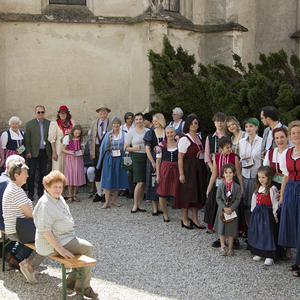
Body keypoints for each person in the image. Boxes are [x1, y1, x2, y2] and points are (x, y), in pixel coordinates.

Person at [18, 170, 98, 298]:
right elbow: (45, 230)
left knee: (84, 248)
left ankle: (72, 283)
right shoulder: (45, 203)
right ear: (47, 187)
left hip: (64, 237)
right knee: (88, 248)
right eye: (55, 187)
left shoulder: (57, 197)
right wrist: (60, 249)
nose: (58, 190)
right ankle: (82, 286)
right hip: (55, 242)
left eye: (60, 187)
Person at [205, 136, 244, 248]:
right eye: (227, 147)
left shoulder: (234, 157)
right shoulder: (216, 157)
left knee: (233, 209)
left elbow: (239, 174)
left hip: (232, 186)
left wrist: (241, 188)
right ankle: (220, 236)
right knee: (219, 210)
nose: (230, 149)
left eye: (230, 147)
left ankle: (234, 238)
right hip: (220, 187)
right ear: (221, 148)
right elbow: (214, 174)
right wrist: (209, 188)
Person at [247, 166, 285, 266]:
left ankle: (270, 255)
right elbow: (254, 200)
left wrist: (275, 214)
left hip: (267, 213)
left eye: (263, 177)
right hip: (258, 213)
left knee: (268, 234)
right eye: (259, 177)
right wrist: (253, 211)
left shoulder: (272, 189)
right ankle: (260, 252)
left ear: (269, 177)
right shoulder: (258, 188)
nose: (261, 180)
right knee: (259, 233)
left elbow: (275, 203)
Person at [2, 162, 34, 270]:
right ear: (16, 175)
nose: (27, 176)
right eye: (25, 173)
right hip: (17, 230)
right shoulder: (16, 191)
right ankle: (19, 260)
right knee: (45, 236)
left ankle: (13, 254)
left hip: (14, 228)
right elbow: (29, 214)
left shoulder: (13, 187)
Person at [278, 120, 300, 276]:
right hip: (291, 190)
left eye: (299, 132)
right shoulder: (288, 152)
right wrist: (282, 195)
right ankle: (297, 261)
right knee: (293, 224)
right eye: (293, 133)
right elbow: (285, 175)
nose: (296, 135)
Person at [178, 115, 207, 229]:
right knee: (187, 193)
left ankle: (195, 219)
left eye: (196, 123)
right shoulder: (185, 139)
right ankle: (185, 219)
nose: (194, 125)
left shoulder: (198, 138)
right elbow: (180, 157)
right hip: (188, 168)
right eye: (192, 123)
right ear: (188, 125)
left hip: (198, 168)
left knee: (197, 193)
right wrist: (181, 173)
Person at [0, 155, 27, 269]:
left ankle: (13, 253)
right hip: (5, 222)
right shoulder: (9, 184)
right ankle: (19, 257)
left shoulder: (2, 179)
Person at [96, 117, 128, 209]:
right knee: (107, 178)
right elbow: (104, 148)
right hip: (109, 157)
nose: (116, 125)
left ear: (120, 125)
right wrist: (109, 141)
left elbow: (125, 147)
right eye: (114, 123)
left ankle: (114, 200)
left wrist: (126, 159)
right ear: (112, 125)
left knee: (118, 178)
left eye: (118, 123)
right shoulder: (108, 134)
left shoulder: (124, 134)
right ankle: (107, 202)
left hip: (120, 157)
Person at [24, 105, 51, 201]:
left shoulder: (49, 123)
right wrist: (28, 151)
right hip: (33, 153)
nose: (40, 114)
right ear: (35, 113)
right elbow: (26, 140)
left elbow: (51, 138)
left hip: (44, 152)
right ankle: (31, 193)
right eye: (38, 112)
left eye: (42, 112)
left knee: (43, 173)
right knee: (31, 173)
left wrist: (50, 153)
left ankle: (40, 191)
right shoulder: (29, 124)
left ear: (44, 112)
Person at [239, 118, 263, 227]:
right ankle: (248, 228)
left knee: (255, 205)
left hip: (256, 177)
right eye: (247, 126)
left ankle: (256, 228)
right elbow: (241, 157)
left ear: (256, 127)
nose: (248, 128)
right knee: (245, 205)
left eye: (251, 126)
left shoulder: (262, 141)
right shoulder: (241, 141)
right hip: (245, 176)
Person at [214, 164, 241, 256]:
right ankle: (222, 246)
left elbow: (238, 199)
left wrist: (231, 208)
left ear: (234, 174)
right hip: (222, 210)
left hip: (232, 211)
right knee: (222, 228)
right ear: (223, 174)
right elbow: (218, 198)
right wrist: (224, 208)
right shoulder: (221, 186)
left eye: (230, 172)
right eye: (226, 173)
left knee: (231, 229)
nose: (228, 175)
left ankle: (230, 247)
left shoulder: (237, 187)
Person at [124, 113, 149, 213]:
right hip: (136, 157)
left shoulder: (148, 131)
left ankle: (140, 204)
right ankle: (135, 205)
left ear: (143, 120)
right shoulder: (131, 132)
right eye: (137, 119)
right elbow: (125, 147)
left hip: (146, 157)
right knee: (139, 182)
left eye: (140, 119)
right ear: (134, 121)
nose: (139, 121)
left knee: (143, 182)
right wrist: (134, 148)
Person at [156, 126, 180, 222]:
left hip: (177, 169)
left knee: (179, 191)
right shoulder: (160, 145)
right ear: (165, 134)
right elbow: (158, 161)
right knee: (163, 191)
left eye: (171, 132)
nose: (170, 134)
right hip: (164, 169)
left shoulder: (179, 144)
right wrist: (158, 175)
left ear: (174, 133)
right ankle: (165, 214)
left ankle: (185, 214)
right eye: (168, 133)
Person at [88, 104, 112, 202]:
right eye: (101, 110)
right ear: (98, 112)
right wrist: (91, 151)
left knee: (106, 171)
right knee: (97, 171)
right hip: (96, 149)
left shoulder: (111, 123)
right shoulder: (94, 122)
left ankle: (105, 194)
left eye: (105, 110)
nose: (103, 112)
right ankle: (99, 193)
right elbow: (90, 139)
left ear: (107, 112)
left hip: (107, 149)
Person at [144, 113, 166, 215]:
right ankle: (154, 207)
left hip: (164, 160)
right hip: (153, 159)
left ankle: (162, 206)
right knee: (153, 182)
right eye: (153, 121)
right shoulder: (150, 133)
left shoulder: (166, 132)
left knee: (163, 182)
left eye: (156, 121)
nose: (154, 123)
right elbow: (147, 149)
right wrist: (152, 162)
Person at [61, 125, 86, 202]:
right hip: (70, 158)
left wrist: (82, 151)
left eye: (79, 133)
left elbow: (82, 148)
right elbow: (63, 150)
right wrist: (71, 153)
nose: (77, 135)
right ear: (73, 132)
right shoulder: (67, 138)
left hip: (78, 159)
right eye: (76, 133)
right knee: (70, 177)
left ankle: (74, 195)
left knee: (77, 176)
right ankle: (70, 196)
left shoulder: (81, 139)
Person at [48, 106, 75, 175]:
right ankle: (57, 185)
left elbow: (75, 136)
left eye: (65, 113)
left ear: (67, 114)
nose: (63, 115)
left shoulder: (72, 123)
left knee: (68, 167)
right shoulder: (54, 123)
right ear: (59, 114)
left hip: (69, 147)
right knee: (57, 167)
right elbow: (52, 139)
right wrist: (54, 152)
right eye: (61, 113)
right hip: (58, 148)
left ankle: (67, 184)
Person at [120, 112, 135, 198]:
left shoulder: (135, 127)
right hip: (124, 152)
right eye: (128, 118)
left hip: (132, 151)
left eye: (131, 118)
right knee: (125, 171)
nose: (130, 120)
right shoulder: (122, 127)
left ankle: (132, 189)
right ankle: (126, 188)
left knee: (131, 171)